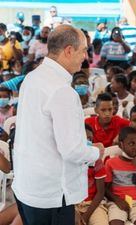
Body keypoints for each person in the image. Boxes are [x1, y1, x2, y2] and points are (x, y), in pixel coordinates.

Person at [12, 25, 103, 225]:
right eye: (83, 50)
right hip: (51, 193)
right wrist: (97, 152)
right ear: (68, 50)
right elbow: (71, 151)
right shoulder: (62, 91)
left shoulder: (32, 78)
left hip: (28, 185)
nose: (85, 56)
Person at [105, 126, 136, 225]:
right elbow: (105, 189)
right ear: (121, 145)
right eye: (131, 143)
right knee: (115, 223)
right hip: (117, 201)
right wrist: (118, 200)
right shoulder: (110, 163)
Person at [75, 124, 108, 225]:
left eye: (90, 138)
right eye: (84, 138)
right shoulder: (68, 162)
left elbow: (100, 193)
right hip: (73, 205)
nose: (87, 141)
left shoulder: (96, 161)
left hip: (93, 205)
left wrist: (86, 215)